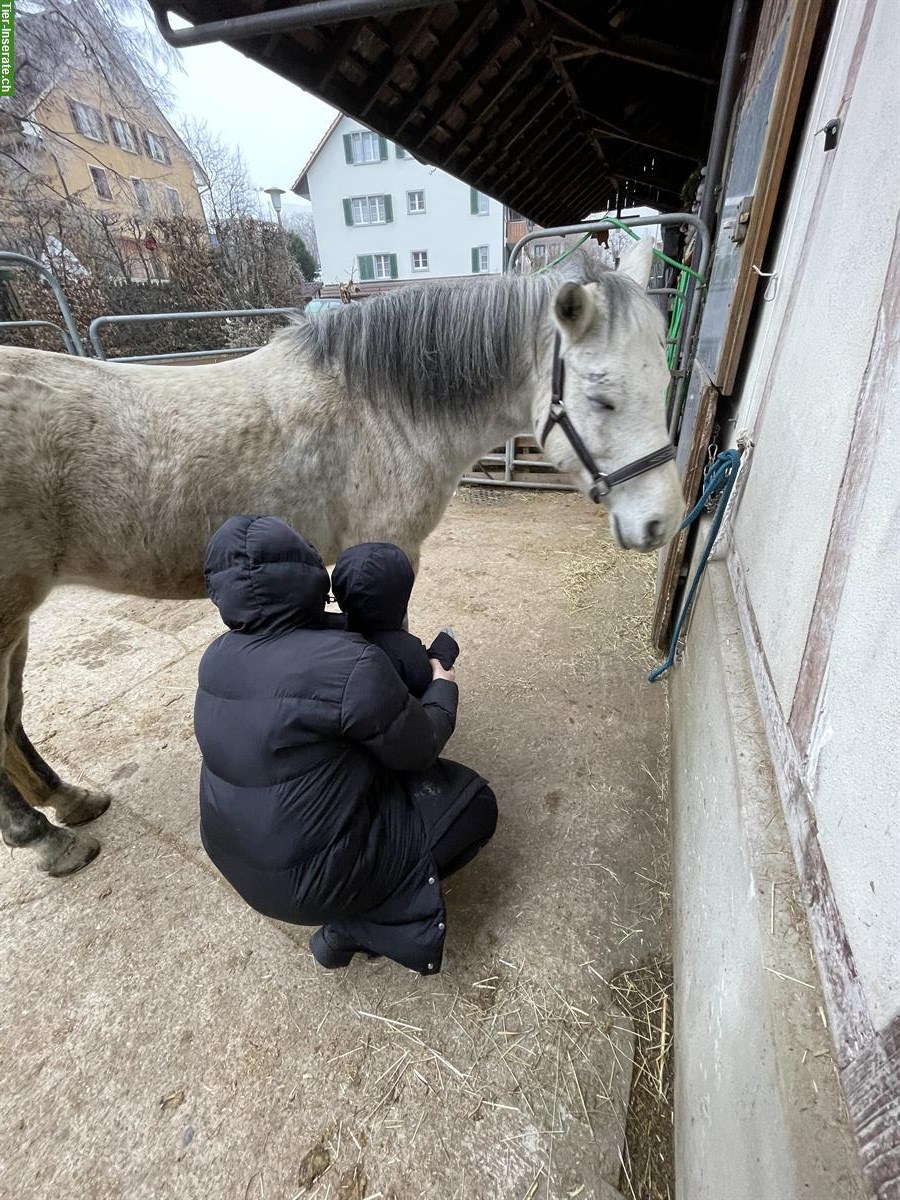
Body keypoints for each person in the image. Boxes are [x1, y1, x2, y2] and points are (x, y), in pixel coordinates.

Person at [194, 515, 497, 976]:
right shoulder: (351, 663)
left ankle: (348, 903)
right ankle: (353, 928)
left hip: (233, 859)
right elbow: (420, 748)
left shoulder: (214, 658)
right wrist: (443, 685)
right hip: (312, 884)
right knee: (475, 806)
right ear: (311, 573)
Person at [330, 541, 458, 698]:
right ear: (402, 593)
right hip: (388, 718)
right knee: (441, 659)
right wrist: (444, 650)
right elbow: (424, 682)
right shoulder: (408, 652)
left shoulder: (327, 635)